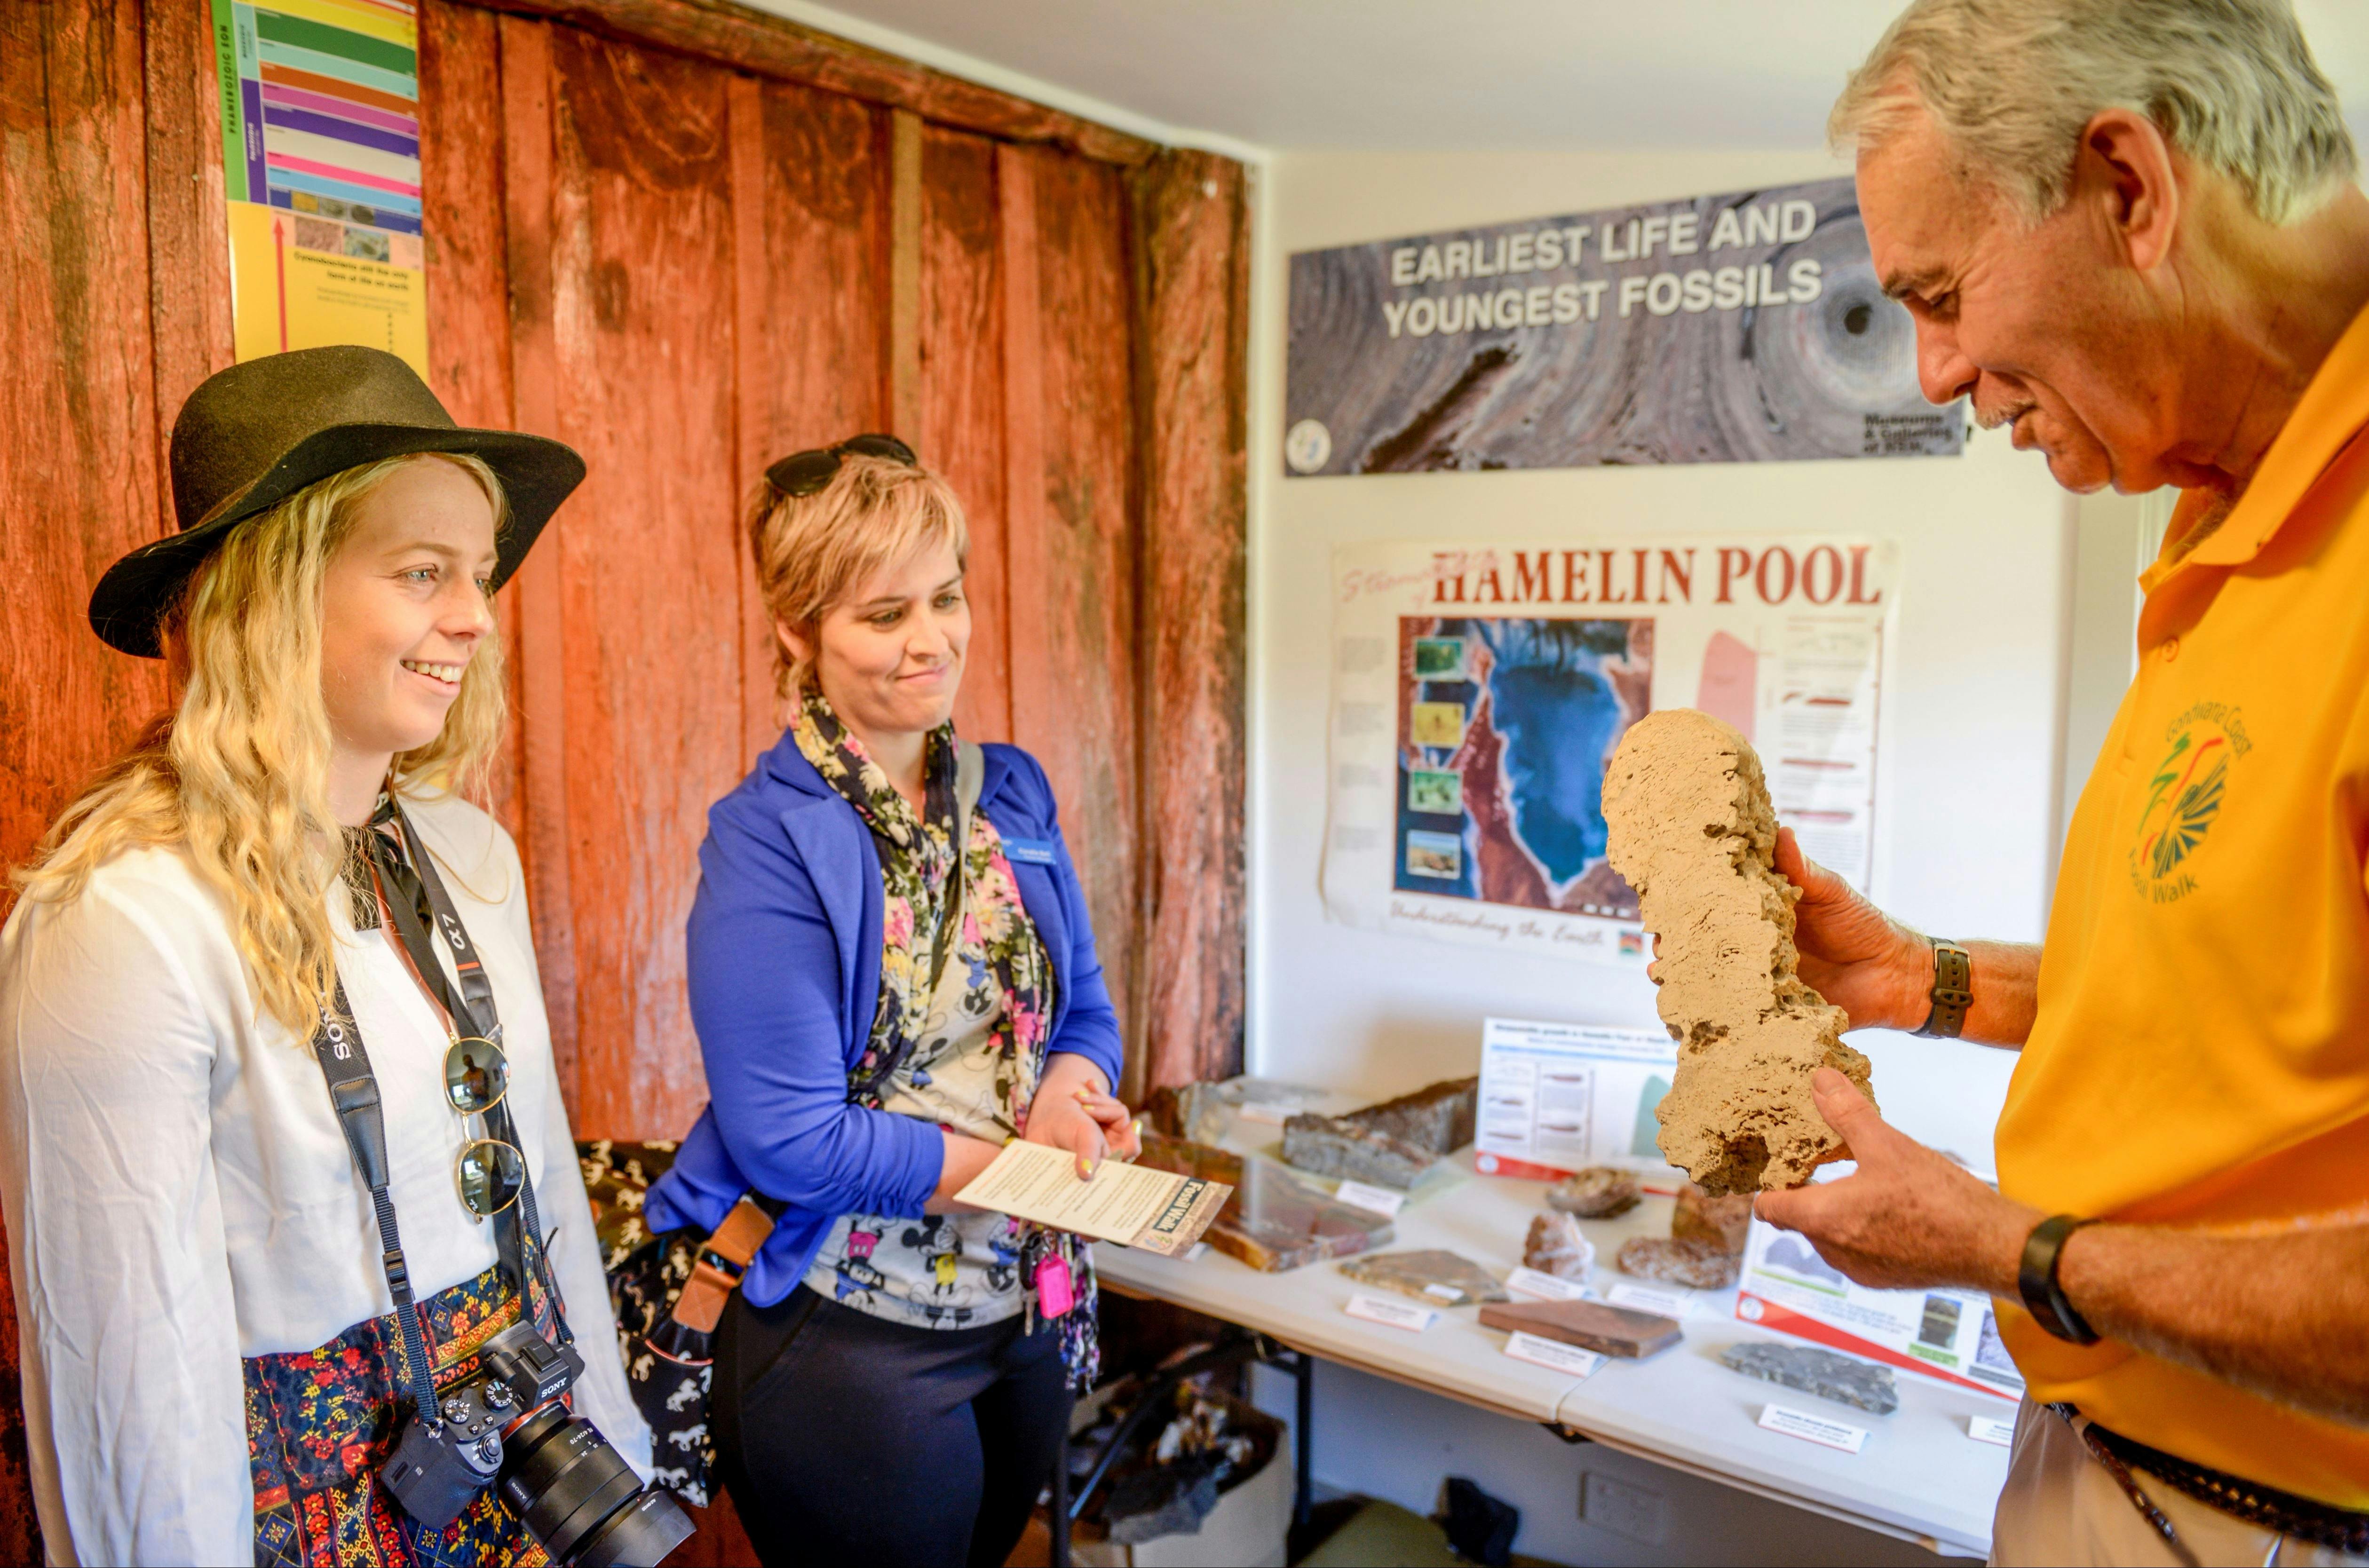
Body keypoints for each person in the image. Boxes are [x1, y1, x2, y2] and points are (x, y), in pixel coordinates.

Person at [1741, 1, 2369, 1562]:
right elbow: (2238, 995)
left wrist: (2005, 1247)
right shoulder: (2221, 515)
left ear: (2127, 189)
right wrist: (1916, 978)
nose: (1937, 371)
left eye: (1940, 295)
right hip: (2112, 1463)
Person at [0, 347, 652, 1565]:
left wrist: (611, 1441)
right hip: (296, 1505)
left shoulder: (463, 856)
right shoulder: (123, 919)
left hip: (518, 1464)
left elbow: (545, 1179)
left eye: (475, 574)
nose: (472, 614)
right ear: (278, 589)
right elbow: (123, 1382)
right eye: (421, 573)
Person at [643, 436, 1138, 1567]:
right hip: (849, 1336)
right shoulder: (766, 838)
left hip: (1022, 1307)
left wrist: (1070, 1093)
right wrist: (1015, 1165)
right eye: (882, 614)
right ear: (798, 633)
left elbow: (1083, 1010)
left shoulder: (1009, 788)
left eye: (946, 596)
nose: (931, 640)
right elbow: (793, 1139)